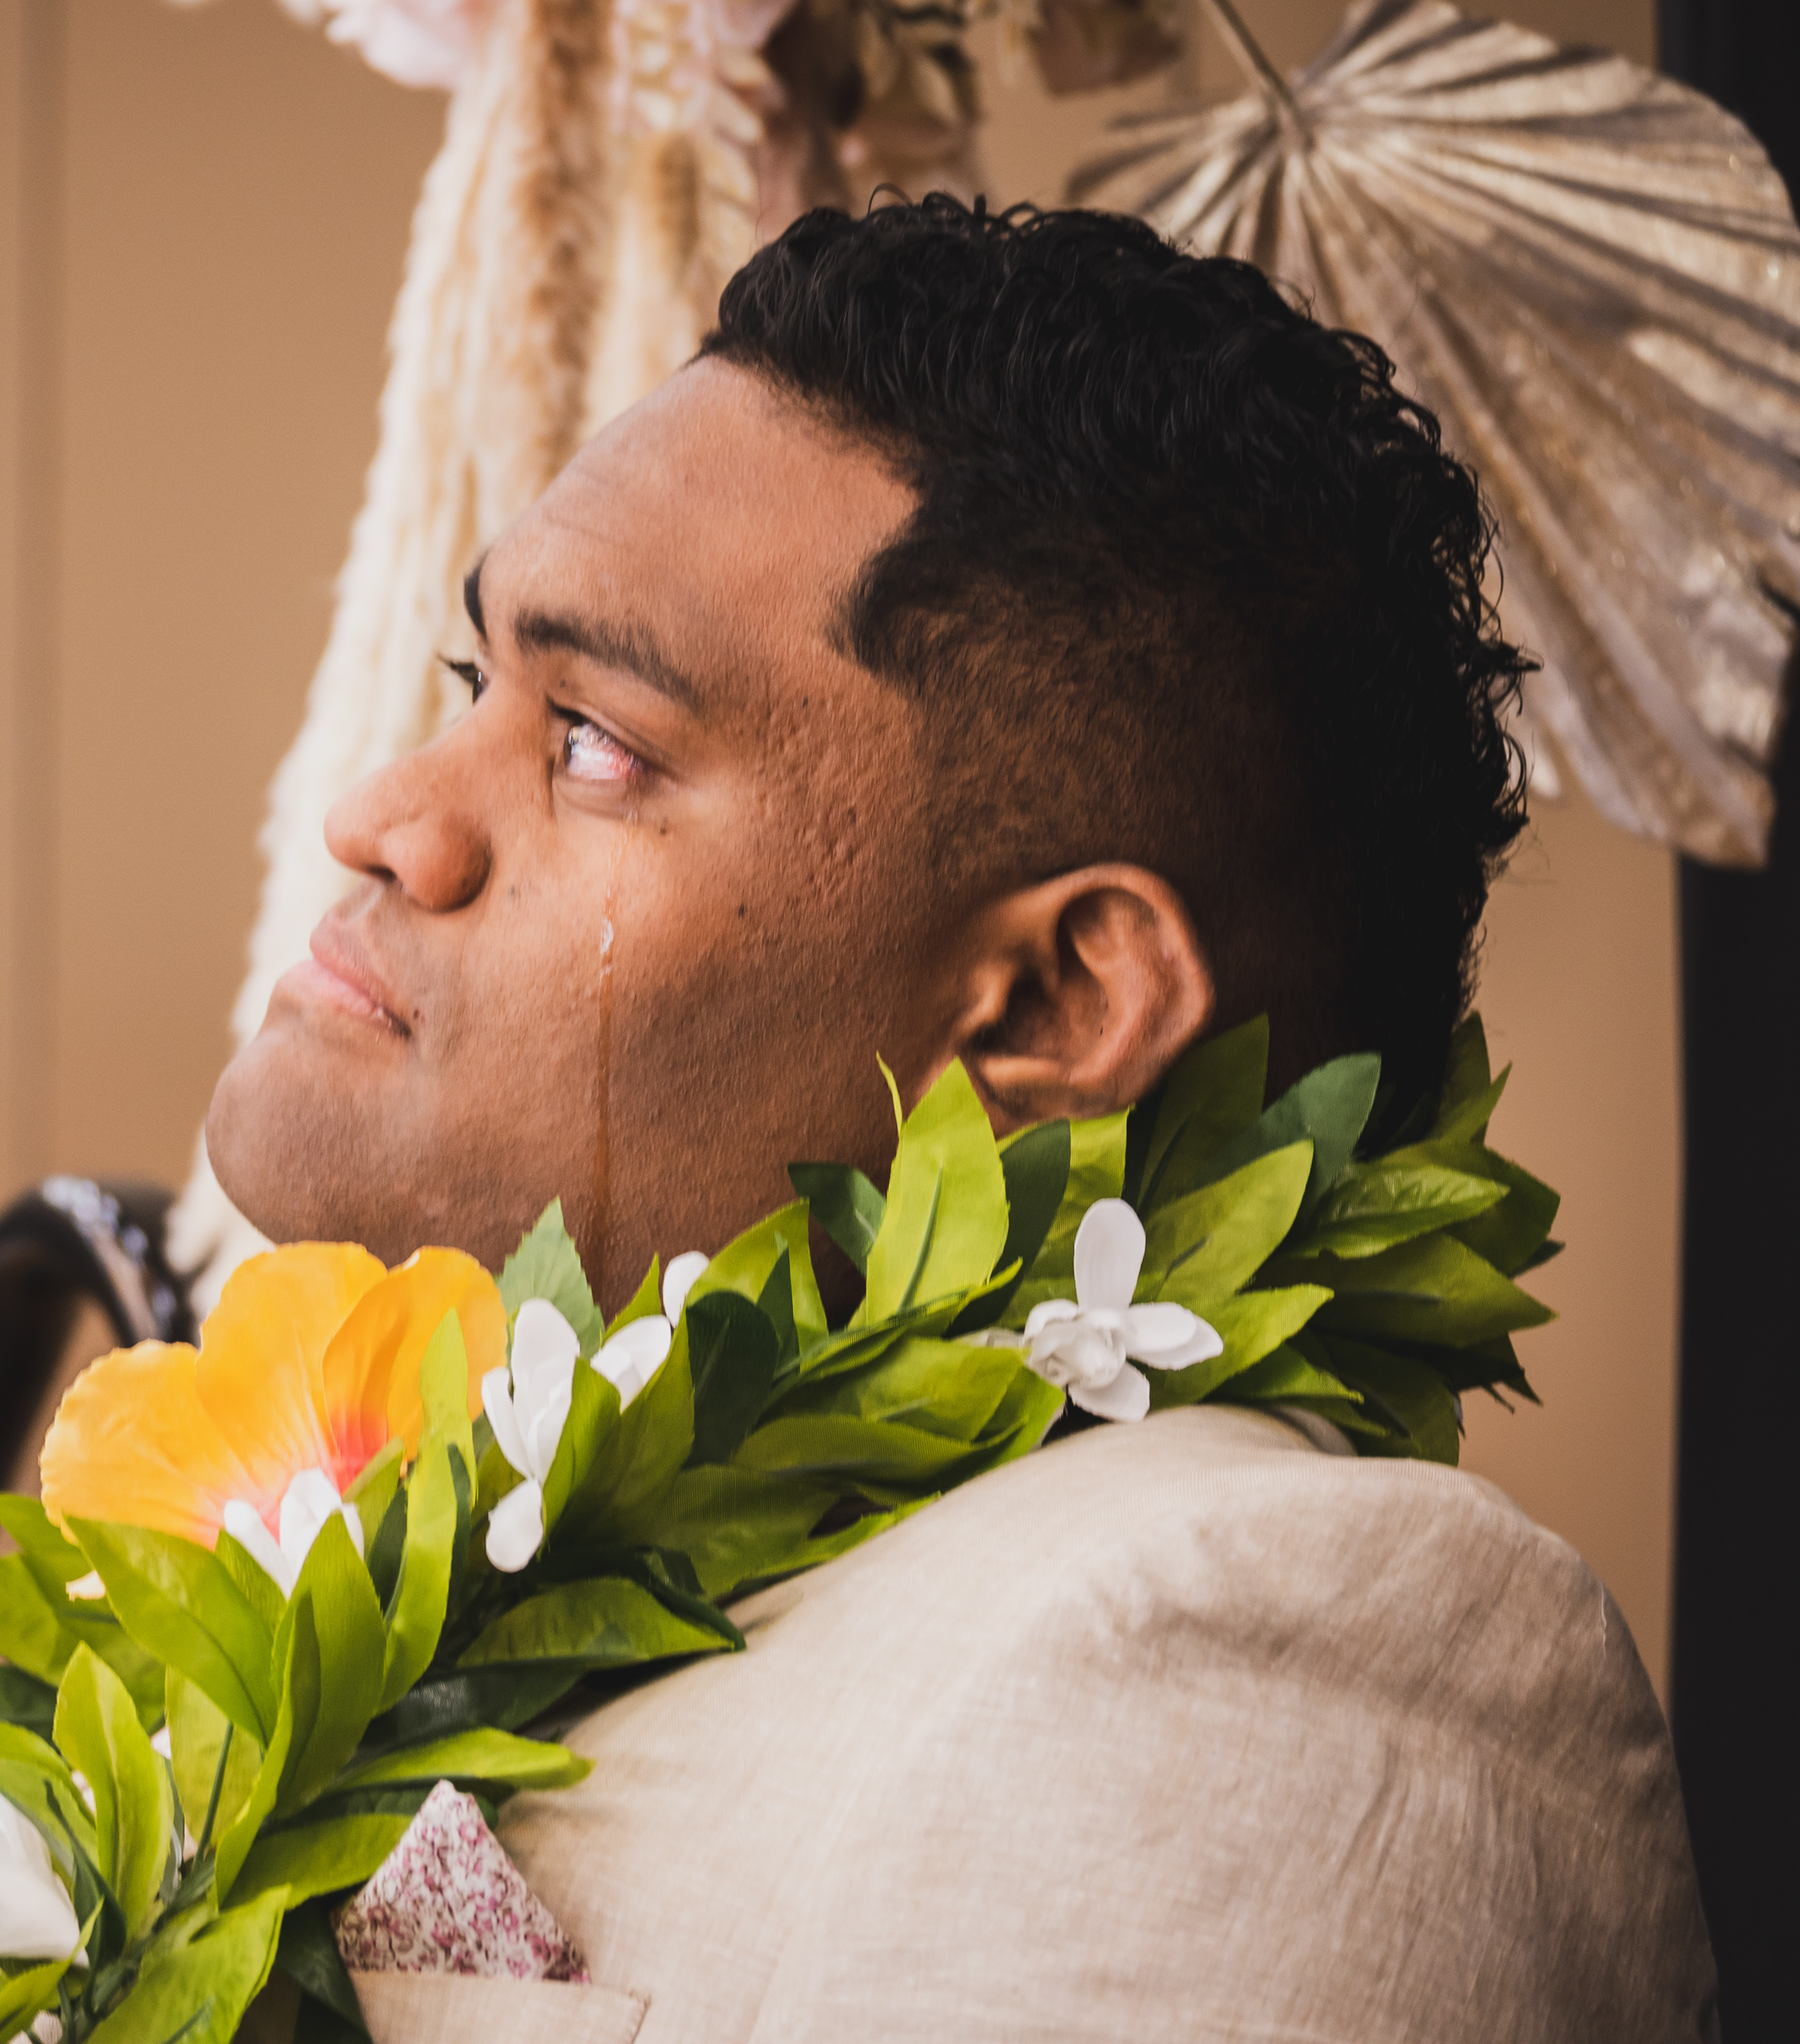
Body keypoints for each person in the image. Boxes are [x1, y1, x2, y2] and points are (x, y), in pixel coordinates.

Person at [196, 199, 1719, 2038]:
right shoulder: (419, 1528)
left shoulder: (1231, 1640)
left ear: (1052, 1006)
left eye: (594, 738)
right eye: (476, 683)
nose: (381, 814)